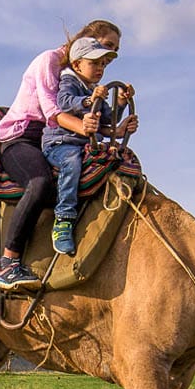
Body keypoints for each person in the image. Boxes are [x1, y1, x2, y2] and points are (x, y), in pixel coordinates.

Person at [0, 20, 124, 289]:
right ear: (88, 39)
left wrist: (115, 127)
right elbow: (54, 113)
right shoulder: (49, 61)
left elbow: (91, 118)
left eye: (113, 51)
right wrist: (88, 130)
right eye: (107, 46)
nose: (108, 58)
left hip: (57, 137)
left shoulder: (81, 79)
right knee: (40, 183)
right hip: (23, 137)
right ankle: (8, 263)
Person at [41, 36, 131, 256]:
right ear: (77, 64)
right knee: (72, 163)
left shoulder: (93, 88)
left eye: (102, 63)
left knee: (118, 158)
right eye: (94, 62)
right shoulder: (69, 80)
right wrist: (89, 101)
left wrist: (121, 103)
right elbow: (64, 102)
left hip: (84, 144)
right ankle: (63, 219)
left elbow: (107, 118)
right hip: (60, 143)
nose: (100, 68)